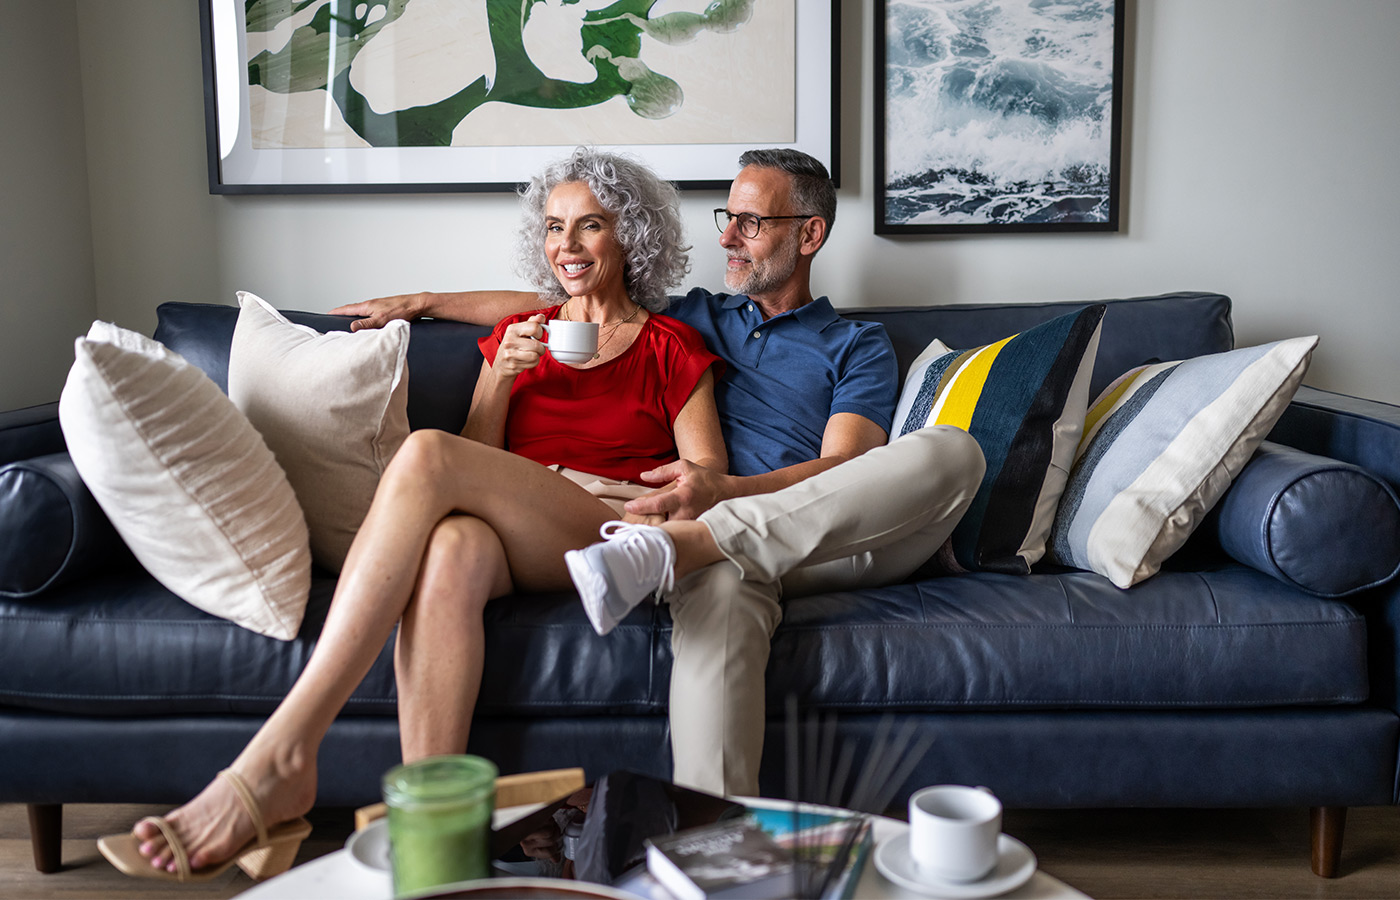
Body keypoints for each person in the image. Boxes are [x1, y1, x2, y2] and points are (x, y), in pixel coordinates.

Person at [98, 148, 726, 881]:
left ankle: (284, 755)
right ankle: (439, 840)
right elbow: (476, 458)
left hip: (604, 528)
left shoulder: (668, 345)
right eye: (554, 228)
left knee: (426, 456)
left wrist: (666, 491)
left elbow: (708, 476)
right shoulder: (522, 335)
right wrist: (501, 375)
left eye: (590, 227)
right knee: (454, 544)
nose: (567, 246)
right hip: (519, 532)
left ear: (631, 238)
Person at [335, 149, 986, 798]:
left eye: (750, 223)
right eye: (726, 217)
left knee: (954, 452)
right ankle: (710, 853)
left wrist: (723, 493)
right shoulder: (693, 316)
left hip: (814, 536)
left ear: (809, 233)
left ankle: (680, 546)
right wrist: (424, 301)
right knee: (724, 584)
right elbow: (567, 294)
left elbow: (845, 472)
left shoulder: (855, 343)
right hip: (711, 554)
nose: (726, 237)